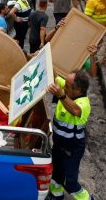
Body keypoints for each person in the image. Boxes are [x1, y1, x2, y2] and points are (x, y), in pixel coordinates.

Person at [47, 70, 94, 200]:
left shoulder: (84, 103)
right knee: (56, 173)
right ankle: (56, 195)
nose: (64, 87)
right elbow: (55, 75)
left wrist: (61, 95)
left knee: (70, 182)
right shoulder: (69, 86)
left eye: (67, 87)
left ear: (78, 90)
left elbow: (74, 110)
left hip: (72, 149)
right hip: (59, 145)